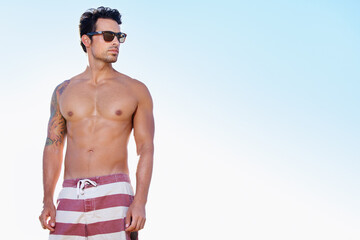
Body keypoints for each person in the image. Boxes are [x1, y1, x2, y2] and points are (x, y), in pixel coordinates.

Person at [38, 6, 154, 240]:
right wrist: (48, 199)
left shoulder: (135, 90)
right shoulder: (64, 91)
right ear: (86, 40)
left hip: (115, 193)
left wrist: (140, 201)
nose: (116, 43)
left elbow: (146, 149)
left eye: (119, 37)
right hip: (70, 193)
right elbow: (53, 145)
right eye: (109, 36)